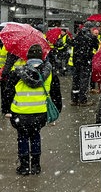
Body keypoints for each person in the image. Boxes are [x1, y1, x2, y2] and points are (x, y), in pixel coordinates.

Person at [1, 44, 62, 175]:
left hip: (20, 113)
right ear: (42, 57)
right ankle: (35, 165)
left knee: (22, 137)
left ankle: (24, 167)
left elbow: (8, 93)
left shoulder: (17, 72)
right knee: (35, 136)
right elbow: (56, 93)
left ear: (27, 57)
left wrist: (6, 109)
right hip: (40, 113)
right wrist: (57, 109)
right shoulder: (49, 72)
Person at [70, 22, 99, 106]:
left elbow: (72, 43)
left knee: (76, 81)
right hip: (85, 62)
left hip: (76, 62)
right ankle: (83, 100)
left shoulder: (78, 35)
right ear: (90, 28)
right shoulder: (90, 37)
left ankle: (74, 99)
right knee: (84, 81)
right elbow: (96, 47)